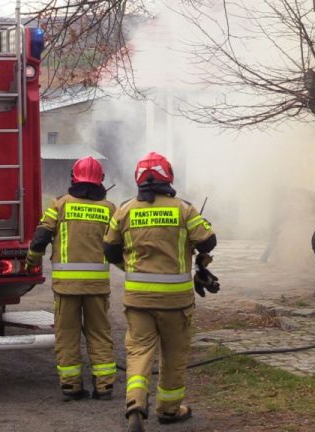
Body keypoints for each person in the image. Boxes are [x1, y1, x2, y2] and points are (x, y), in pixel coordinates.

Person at [103, 152, 217, 431]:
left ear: (138, 178)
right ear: (168, 176)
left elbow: (109, 249)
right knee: (174, 353)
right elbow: (208, 241)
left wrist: (127, 265)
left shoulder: (125, 210)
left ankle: (135, 405)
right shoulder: (184, 209)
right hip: (175, 301)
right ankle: (168, 410)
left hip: (138, 298)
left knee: (139, 351)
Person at [26, 156, 118, 401]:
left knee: (67, 334)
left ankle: (71, 386)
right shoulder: (110, 209)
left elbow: (39, 240)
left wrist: (31, 262)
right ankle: (105, 386)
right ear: (101, 181)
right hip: (97, 286)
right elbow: (119, 245)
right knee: (99, 333)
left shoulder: (59, 205)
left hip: (66, 287)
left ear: (73, 178)